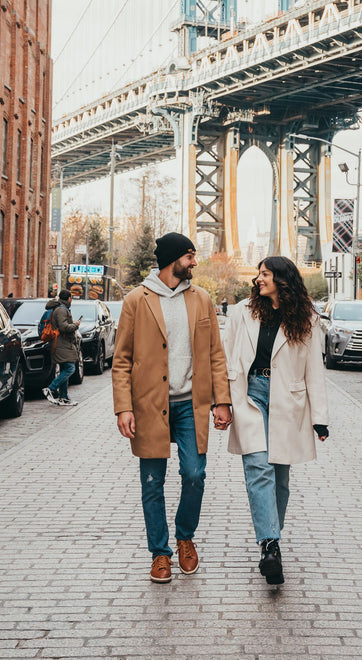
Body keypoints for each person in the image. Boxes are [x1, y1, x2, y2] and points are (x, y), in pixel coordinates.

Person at [112, 232, 232, 584]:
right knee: (152, 483)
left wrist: (221, 400)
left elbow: (215, 354)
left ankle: (185, 537)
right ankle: (160, 554)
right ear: (172, 259)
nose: (195, 262)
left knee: (194, 475)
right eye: (190, 256)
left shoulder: (202, 299)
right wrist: (124, 408)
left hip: (190, 405)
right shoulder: (137, 300)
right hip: (150, 406)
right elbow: (121, 360)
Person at [222, 256, 329, 586]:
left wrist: (319, 418)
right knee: (259, 469)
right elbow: (226, 356)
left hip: (288, 399)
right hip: (250, 395)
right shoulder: (243, 312)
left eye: (265, 274)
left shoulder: (305, 318)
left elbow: (314, 367)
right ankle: (270, 545)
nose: (258, 279)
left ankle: (271, 538)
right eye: (258, 274)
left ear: (282, 279)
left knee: (280, 477)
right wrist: (222, 401)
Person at [42, 289, 82, 407]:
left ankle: (63, 397)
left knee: (65, 367)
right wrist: (76, 325)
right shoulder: (61, 310)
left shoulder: (61, 308)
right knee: (70, 368)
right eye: (71, 298)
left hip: (63, 343)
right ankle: (50, 388)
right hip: (61, 344)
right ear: (69, 298)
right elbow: (64, 327)